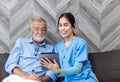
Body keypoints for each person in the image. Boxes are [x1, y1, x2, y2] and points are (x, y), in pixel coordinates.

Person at [41, 12, 98, 82]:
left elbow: (77, 69)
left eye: (66, 25)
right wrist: (44, 78)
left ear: (73, 25)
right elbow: (54, 70)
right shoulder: (57, 47)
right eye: (60, 25)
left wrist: (59, 71)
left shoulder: (81, 43)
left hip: (84, 79)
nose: (62, 28)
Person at [2, 17, 56, 82]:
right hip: (18, 78)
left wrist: (42, 80)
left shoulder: (51, 48)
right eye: (37, 29)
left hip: (37, 80)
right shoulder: (21, 42)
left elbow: (52, 70)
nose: (40, 32)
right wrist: (26, 76)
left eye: (43, 29)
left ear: (45, 31)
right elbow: (10, 64)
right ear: (30, 31)